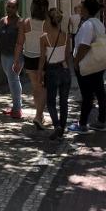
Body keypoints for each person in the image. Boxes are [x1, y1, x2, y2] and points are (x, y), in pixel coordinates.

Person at [68, 0, 106, 134]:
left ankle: (82, 124)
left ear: (86, 9)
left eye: (82, 7)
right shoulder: (98, 23)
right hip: (98, 62)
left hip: (88, 63)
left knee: (87, 95)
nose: (80, 9)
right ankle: (101, 121)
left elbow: (84, 46)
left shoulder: (88, 25)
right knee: (99, 91)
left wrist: (75, 62)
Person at [14, 0, 49, 130]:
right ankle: (39, 116)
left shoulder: (25, 22)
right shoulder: (48, 23)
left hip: (29, 58)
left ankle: (39, 115)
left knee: (36, 87)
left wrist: (16, 60)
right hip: (44, 59)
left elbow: (19, 43)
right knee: (43, 87)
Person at [39, 8, 73, 140]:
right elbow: (66, 56)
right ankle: (62, 129)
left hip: (51, 71)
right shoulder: (66, 36)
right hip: (64, 70)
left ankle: (57, 125)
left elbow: (43, 58)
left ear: (48, 20)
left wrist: (40, 73)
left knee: (51, 101)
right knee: (64, 102)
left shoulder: (44, 37)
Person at [0, 0, 23, 119]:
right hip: (4, 55)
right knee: (11, 80)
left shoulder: (20, 22)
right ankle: (15, 106)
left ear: (17, 8)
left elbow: (21, 42)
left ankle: (17, 109)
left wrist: (17, 60)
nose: (10, 9)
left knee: (13, 80)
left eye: (13, 7)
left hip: (15, 56)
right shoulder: (2, 21)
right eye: (8, 6)